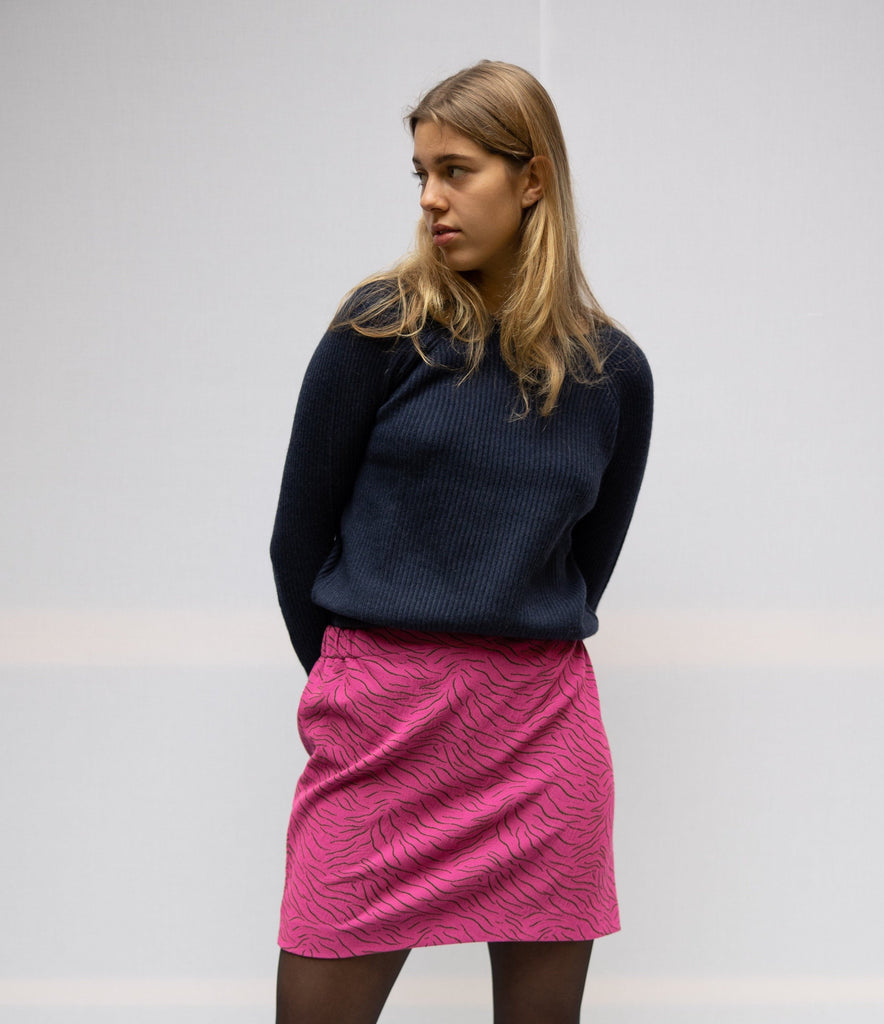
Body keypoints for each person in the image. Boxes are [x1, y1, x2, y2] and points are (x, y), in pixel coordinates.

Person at [270, 59, 653, 1024]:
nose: (433, 198)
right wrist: (359, 682)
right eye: (422, 173)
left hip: (540, 737)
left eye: (459, 169)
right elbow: (297, 542)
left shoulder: (613, 373)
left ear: (533, 182)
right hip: (380, 731)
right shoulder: (378, 332)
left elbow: (582, 564)